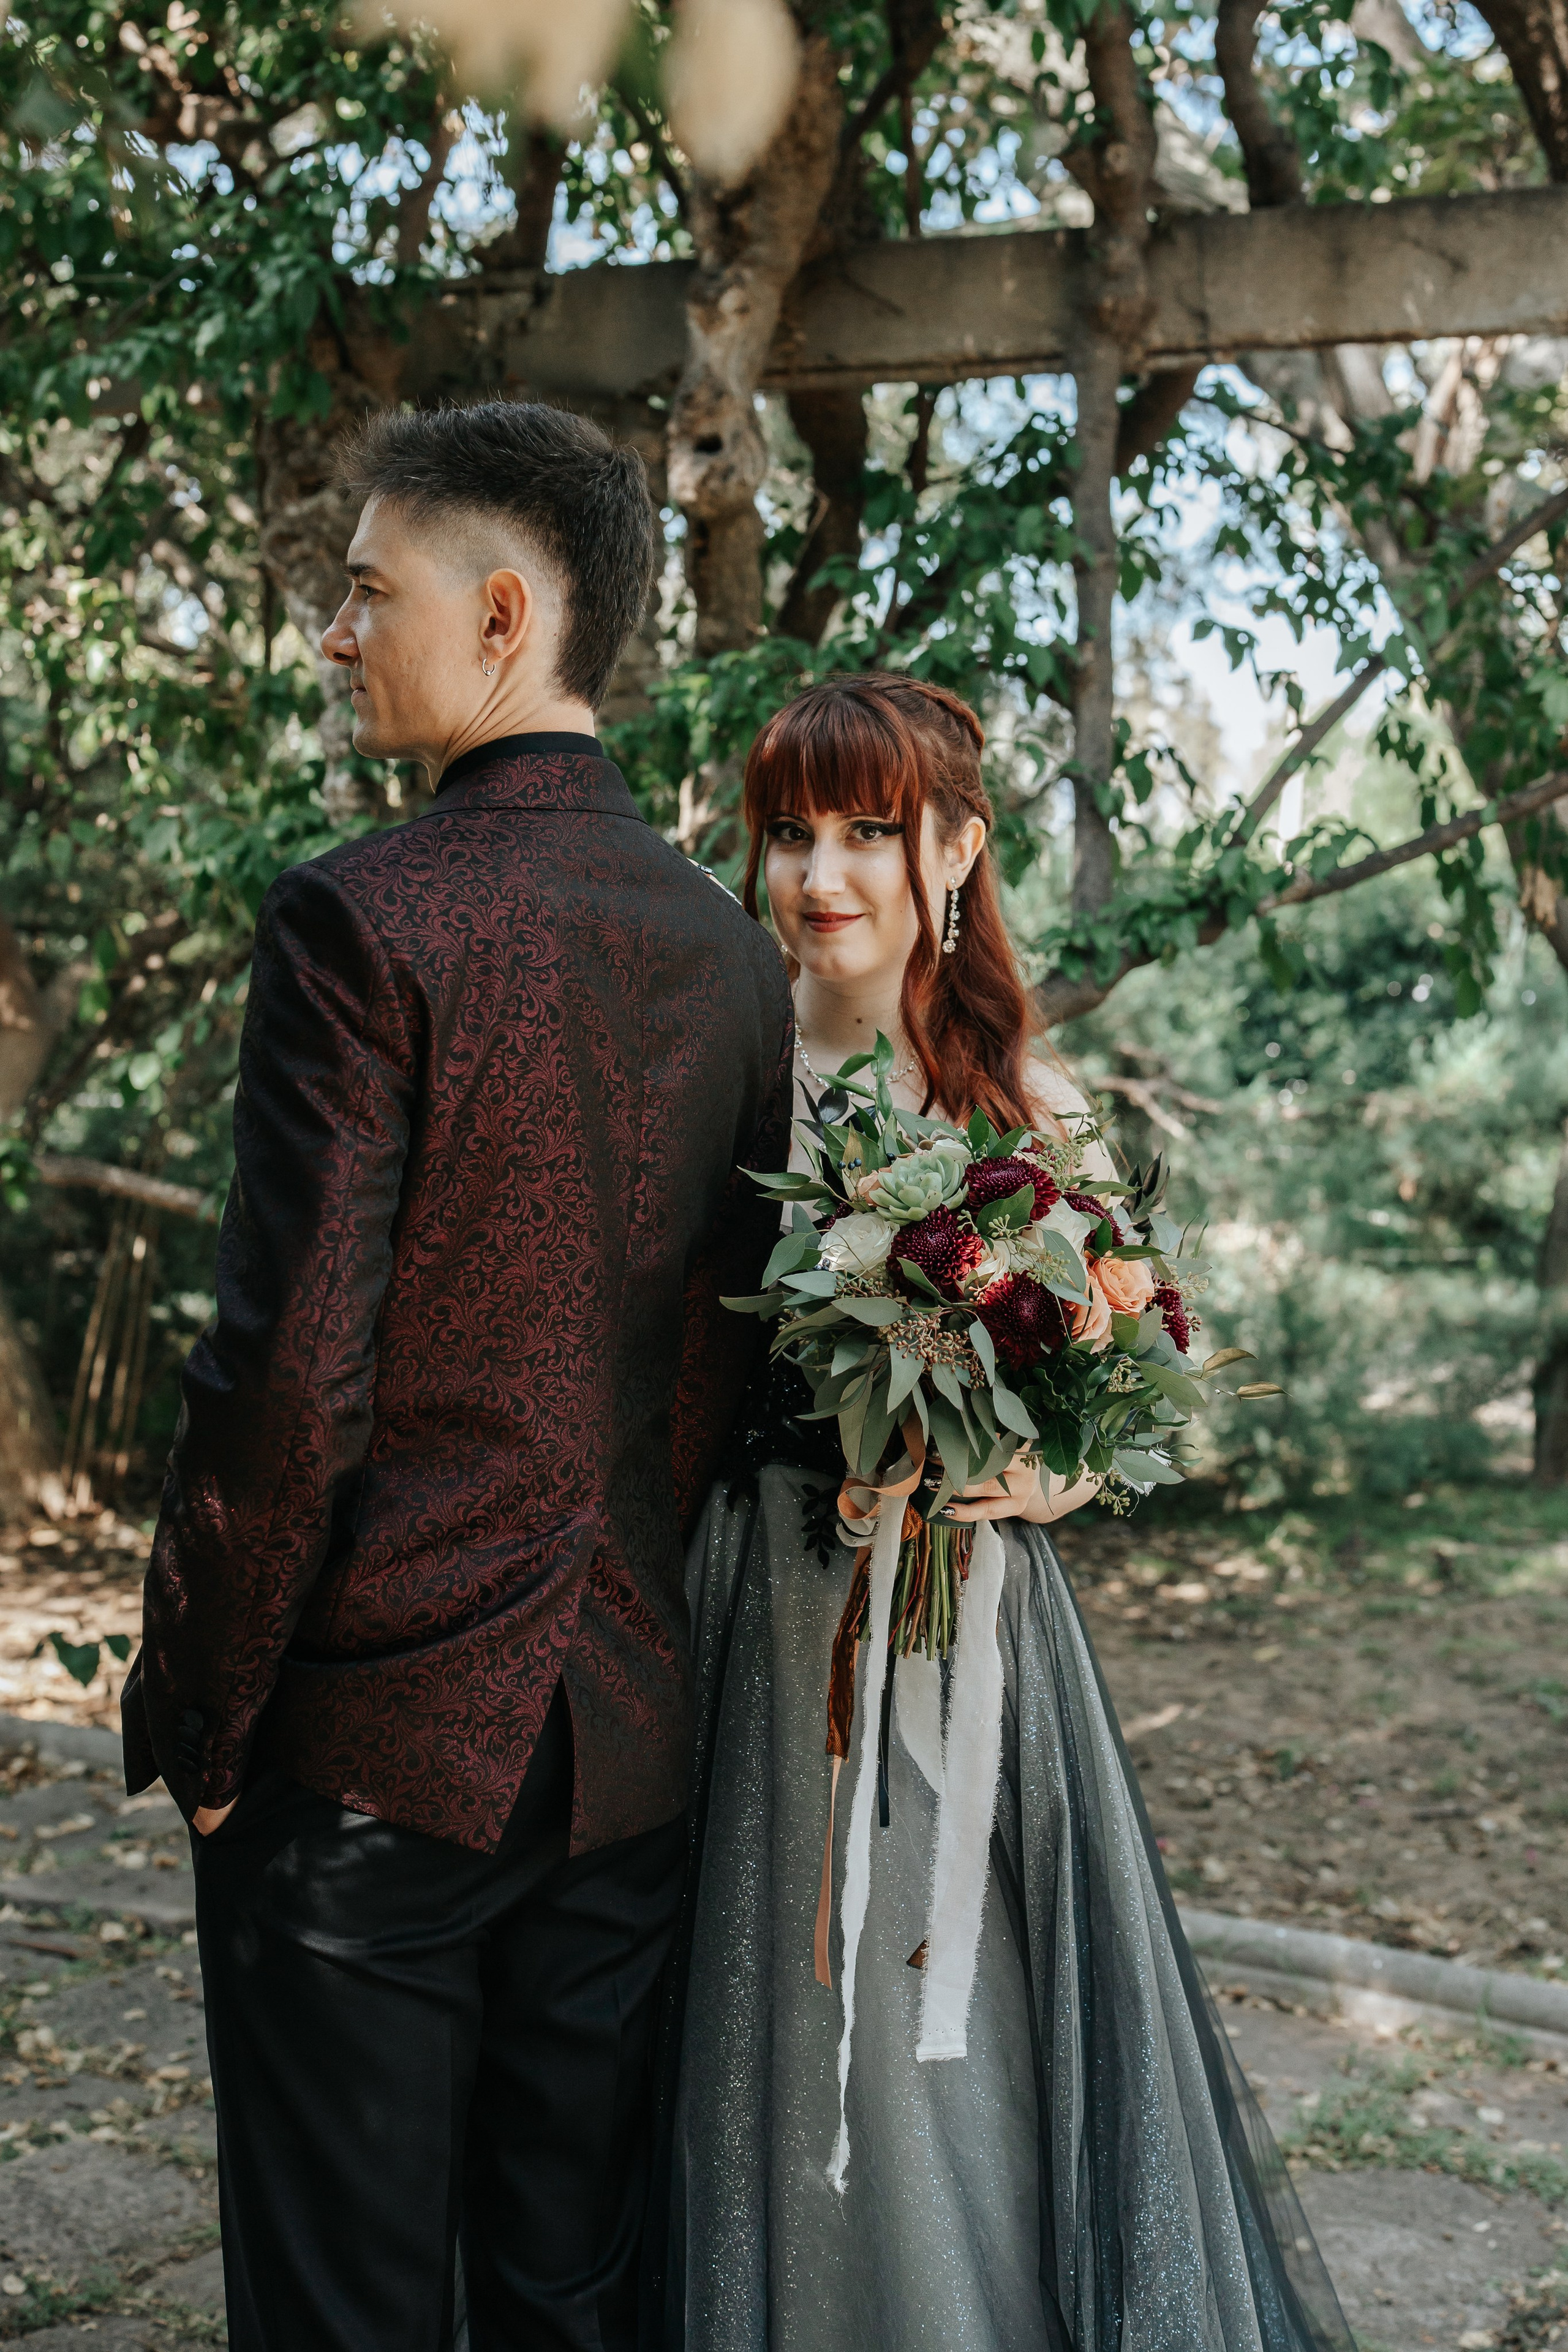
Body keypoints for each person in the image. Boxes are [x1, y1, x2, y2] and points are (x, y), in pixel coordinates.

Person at [120, 400, 794, 2352]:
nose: (334, 633)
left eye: (362, 592)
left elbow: (287, 1386)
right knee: (570, 2302)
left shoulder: (362, 916)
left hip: (370, 1756)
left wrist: (206, 1714)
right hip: (626, 1754)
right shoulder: (728, 953)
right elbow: (716, 1371)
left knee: (344, 2311)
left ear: (502, 615)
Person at [650, 675, 1354, 2352]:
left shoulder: (1023, 1112)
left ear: (955, 849)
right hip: (747, 1610)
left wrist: (1053, 1469)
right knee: (750, 2036)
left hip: (959, 1639)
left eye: (869, 833)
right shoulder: (718, 1077)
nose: (822, 874)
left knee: (924, 2052)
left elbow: (1142, 1380)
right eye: (792, 834)